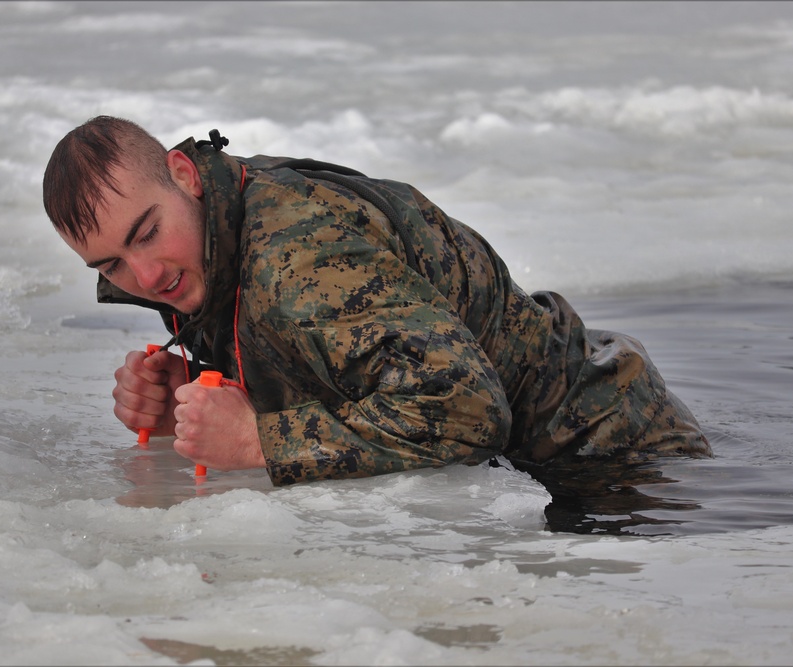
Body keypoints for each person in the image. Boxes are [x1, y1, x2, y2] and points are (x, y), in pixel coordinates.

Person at [42, 115, 712, 488]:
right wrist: (200, 384)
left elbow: (468, 411)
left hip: (611, 460)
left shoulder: (298, 250)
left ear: (185, 176)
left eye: (147, 233)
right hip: (546, 459)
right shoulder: (217, 226)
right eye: (111, 265)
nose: (146, 274)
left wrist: (256, 437)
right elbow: (329, 350)